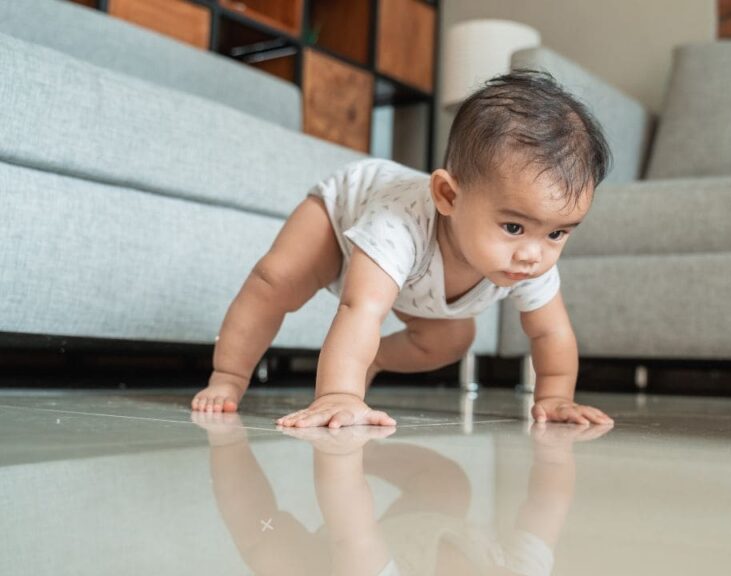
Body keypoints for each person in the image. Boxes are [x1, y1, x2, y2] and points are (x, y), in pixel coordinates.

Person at [191, 69, 614, 428]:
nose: (533, 254)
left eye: (557, 234)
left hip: (412, 275)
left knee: (453, 337)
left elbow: (550, 331)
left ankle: (373, 361)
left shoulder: (529, 259)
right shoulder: (399, 223)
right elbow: (362, 310)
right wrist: (339, 395)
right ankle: (228, 375)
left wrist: (556, 397)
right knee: (276, 280)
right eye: (513, 226)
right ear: (448, 196)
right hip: (343, 217)